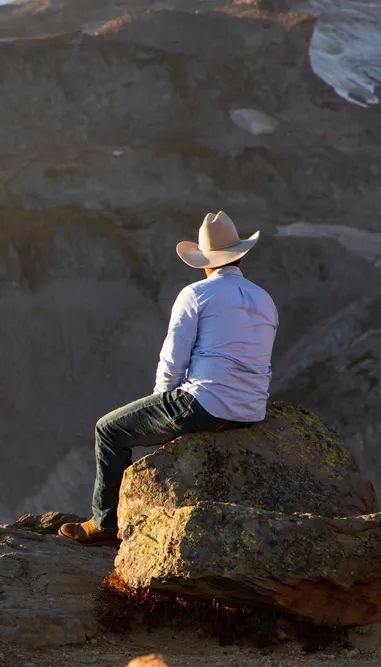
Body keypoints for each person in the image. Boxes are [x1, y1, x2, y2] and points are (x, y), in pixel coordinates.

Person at [58, 211, 278, 546]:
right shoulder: (265, 299)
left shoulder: (197, 294)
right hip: (251, 411)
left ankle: (103, 524)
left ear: (204, 261)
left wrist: (161, 401)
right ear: (240, 256)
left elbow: (173, 359)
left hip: (205, 404)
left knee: (109, 430)